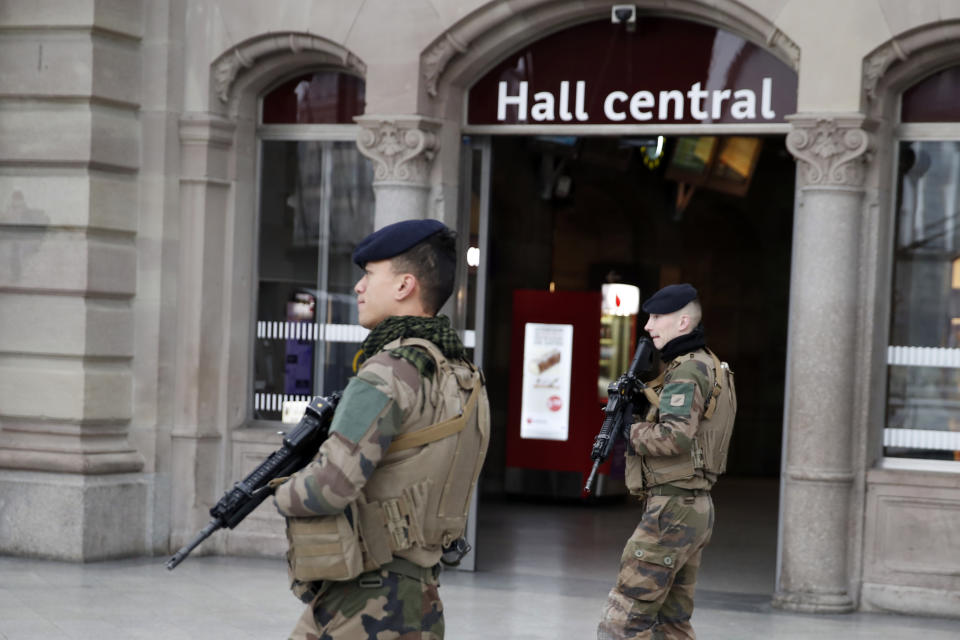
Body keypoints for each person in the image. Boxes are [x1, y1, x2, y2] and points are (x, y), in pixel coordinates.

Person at [273, 219, 490, 640]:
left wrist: (277, 491)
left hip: (365, 602)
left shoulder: (386, 373)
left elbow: (329, 488)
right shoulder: (463, 373)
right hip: (423, 597)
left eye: (369, 274)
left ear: (404, 285)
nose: (358, 286)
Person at [598, 283, 737, 640]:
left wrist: (630, 428)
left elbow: (675, 437)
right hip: (691, 506)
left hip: (672, 510)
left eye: (657, 317)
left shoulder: (687, 371)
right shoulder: (706, 364)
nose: (648, 325)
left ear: (683, 323)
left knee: (623, 620)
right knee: (671, 624)